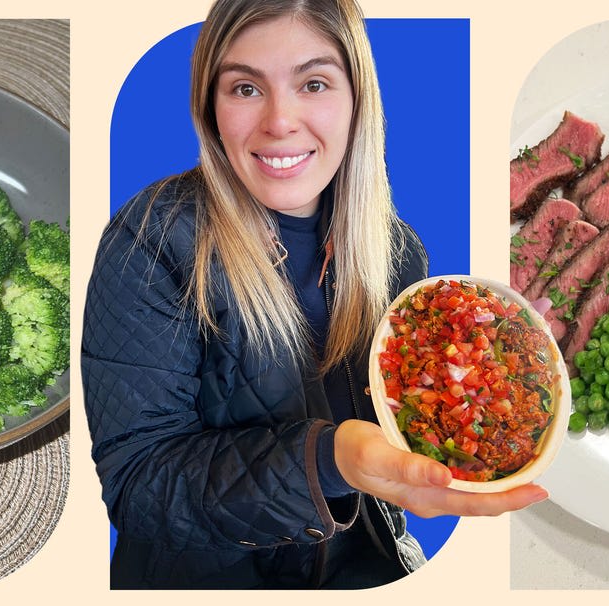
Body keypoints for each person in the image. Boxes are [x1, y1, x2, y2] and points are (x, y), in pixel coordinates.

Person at [82, 0, 547, 589]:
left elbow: (415, 434)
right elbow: (140, 485)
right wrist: (331, 460)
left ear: (358, 99)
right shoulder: (151, 241)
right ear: (211, 108)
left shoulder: (399, 253)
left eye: (314, 82)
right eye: (246, 88)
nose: (280, 121)